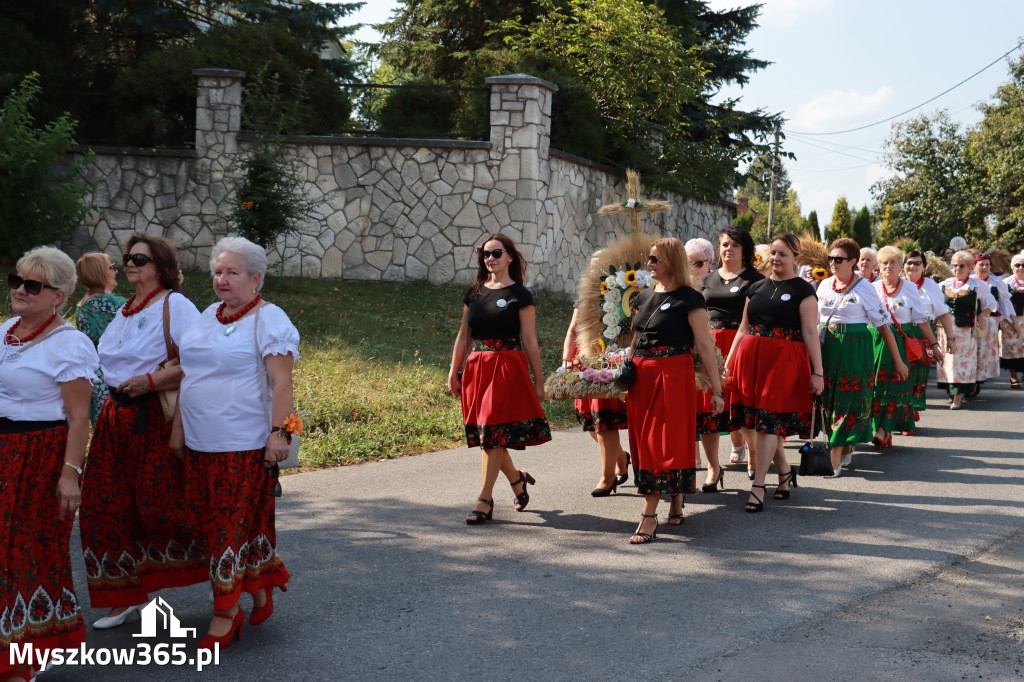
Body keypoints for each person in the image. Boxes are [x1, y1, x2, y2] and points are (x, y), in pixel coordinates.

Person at [169, 237, 296, 650]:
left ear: (256, 278)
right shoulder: (208, 315)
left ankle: (225, 613)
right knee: (215, 527)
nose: (221, 280)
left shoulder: (270, 319)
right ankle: (258, 587)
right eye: (218, 272)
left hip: (242, 446)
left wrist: (282, 434)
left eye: (232, 272)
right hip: (200, 443)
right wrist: (179, 428)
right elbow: (189, 376)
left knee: (227, 528)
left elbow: (283, 385)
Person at [79, 233, 205, 628]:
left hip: (154, 418)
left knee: (163, 509)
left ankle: (229, 569)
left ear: (161, 266)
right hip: (116, 419)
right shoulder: (126, 308)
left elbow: (202, 362)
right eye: (127, 258)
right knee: (102, 508)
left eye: (140, 258)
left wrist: (151, 382)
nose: (130, 263)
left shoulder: (175, 304)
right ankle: (123, 597)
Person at [1, 248, 98, 681]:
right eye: (16, 281)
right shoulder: (5, 331)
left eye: (32, 285)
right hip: (2, 452)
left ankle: (26, 654)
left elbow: (79, 417)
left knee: (27, 552)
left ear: (57, 296)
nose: (20, 291)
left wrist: (69, 474)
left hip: (39, 455)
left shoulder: (70, 343)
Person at [448, 234, 551, 525]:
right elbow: (463, 337)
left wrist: (539, 381)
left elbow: (530, 341)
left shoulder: (520, 294)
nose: (490, 258)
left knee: (492, 430)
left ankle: (484, 499)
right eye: (484, 254)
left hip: (507, 367)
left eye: (496, 253)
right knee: (488, 436)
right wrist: (453, 373)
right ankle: (517, 481)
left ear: (509, 257)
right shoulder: (475, 293)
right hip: (477, 368)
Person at [626, 238, 723, 544]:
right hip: (641, 377)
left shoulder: (690, 298)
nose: (649, 265)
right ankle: (677, 498)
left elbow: (704, 346)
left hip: (672, 375)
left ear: (671, 262)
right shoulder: (642, 297)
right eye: (649, 259)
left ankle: (649, 514)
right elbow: (635, 339)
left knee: (662, 442)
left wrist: (716, 390)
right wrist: (623, 373)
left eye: (655, 260)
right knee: (644, 442)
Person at [725, 233, 822, 511]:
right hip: (750, 360)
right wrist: (728, 364)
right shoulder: (756, 287)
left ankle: (758, 486)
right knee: (751, 422)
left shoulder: (804, 290)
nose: (777, 259)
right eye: (774, 253)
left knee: (768, 422)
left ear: (796, 259)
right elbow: (743, 329)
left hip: (783, 361)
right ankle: (784, 472)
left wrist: (818, 372)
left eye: (783, 254)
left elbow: (810, 332)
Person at [817, 238, 906, 476]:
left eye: (839, 259)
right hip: (828, 348)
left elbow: (884, 326)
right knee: (828, 399)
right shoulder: (824, 285)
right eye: (831, 259)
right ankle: (845, 444)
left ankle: (834, 457)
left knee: (847, 400)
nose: (833, 263)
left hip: (856, 349)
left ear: (853, 261)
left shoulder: (865, 288)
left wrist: (898, 361)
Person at [696, 227, 762, 489]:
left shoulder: (755, 280)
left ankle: (754, 456)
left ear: (745, 250)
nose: (728, 249)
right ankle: (714, 467)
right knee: (706, 413)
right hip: (708, 346)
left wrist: (732, 357)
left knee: (741, 407)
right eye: (724, 244)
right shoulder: (706, 279)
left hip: (741, 346)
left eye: (734, 245)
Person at [871, 247, 943, 447]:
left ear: (901, 266)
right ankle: (882, 430)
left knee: (896, 386)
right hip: (877, 343)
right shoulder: (873, 288)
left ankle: (883, 430)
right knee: (877, 388)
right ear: (879, 266)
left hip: (901, 345)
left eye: (893, 262)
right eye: (884, 263)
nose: (888, 266)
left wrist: (935, 345)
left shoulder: (910, 289)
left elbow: (922, 320)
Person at [561, 308, 629, 496]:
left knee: (604, 420)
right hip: (586, 358)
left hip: (612, 357)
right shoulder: (589, 288)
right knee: (590, 423)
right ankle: (621, 458)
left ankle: (607, 479)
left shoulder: (626, 284)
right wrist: (566, 361)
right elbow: (573, 330)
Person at [901, 250, 957, 429]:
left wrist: (951, 339)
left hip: (925, 336)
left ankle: (910, 413)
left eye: (917, 263)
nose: (912, 266)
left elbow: (943, 313)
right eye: (909, 262)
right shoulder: (897, 283)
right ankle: (903, 415)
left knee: (918, 377)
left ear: (924, 267)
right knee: (901, 376)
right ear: (903, 266)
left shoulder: (931, 286)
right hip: (901, 335)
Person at [936, 251, 998, 409]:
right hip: (945, 332)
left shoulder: (978, 286)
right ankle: (952, 393)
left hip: (965, 332)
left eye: (961, 266)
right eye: (955, 265)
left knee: (962, 363)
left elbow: (992, 305)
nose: (957, 269)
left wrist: (981, 315)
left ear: (970, 267)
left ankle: (958, 397)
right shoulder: (944, 284)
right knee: (948, 363)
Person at [75, 252, 127, 424]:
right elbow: (145, 308)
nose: (116, 271)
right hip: (108, 379)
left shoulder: (85, 302)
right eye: (111, 267)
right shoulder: (105, 302)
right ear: (99, 273)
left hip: (95, 376)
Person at [971, 253, 1015, 398]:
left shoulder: (997, 282)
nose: (984, 267)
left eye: (987, 265)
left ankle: (976, 381)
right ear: (974, 266)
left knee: (982, 352)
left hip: (989, 322)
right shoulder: (968, 281)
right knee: (970, 351)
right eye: (981, 264)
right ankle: (968, 380)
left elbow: (1005, 303)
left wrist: (1012, 322)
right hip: (969, 321)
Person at [1001, 253, 1024, 388]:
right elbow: (1003, 304)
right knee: (1011, 349)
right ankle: (1013, 376)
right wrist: (1014, 322)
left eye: (1023, 265)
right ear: (1012, 267)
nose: (1021, 268)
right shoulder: (1006, 283)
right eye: (1017, 265)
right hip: (1010, 321)